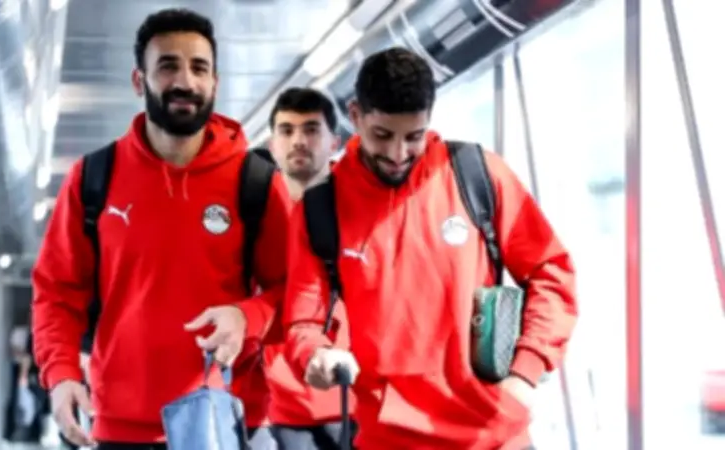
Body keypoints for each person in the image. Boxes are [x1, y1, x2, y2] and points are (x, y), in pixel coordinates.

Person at [283, 47, 578, 450]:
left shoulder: (477, 174)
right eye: (382, 135)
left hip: (495, 434)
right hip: (389, 440)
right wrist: (315, 354)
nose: (398, 154)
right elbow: (303, 320)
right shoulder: (321, 207)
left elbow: (552, 272)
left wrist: (526, 373)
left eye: (414, 137)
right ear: (355, 116)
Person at [31, 8, 290, 450]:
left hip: (225, 422)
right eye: (168, 66)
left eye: (199, 68)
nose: (185, 81)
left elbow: (296, 293)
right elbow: (57, 291)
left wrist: (247, 316)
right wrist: (61, 374)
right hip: (120, 427)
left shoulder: (256, 183)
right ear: (139, 81)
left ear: (215, 83)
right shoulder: (94, 178)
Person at [262, 87, 356, 449]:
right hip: (284, 405)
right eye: (286, 131)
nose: (298, 141)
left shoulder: (359, 205)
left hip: (354, 397)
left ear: (334, 142)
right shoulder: (255, 211)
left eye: (311, 130)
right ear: (272, 144)